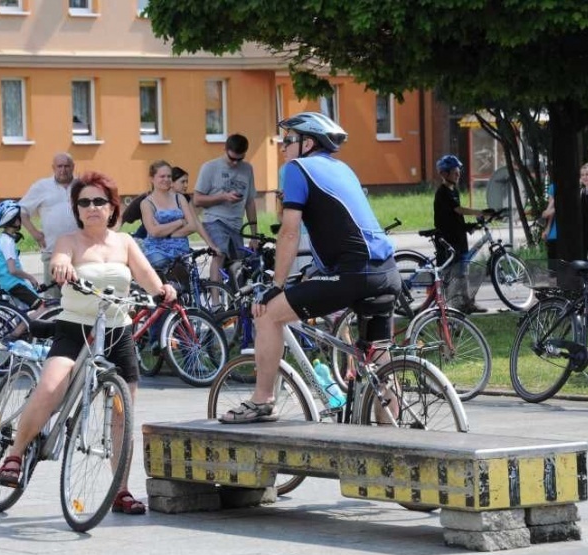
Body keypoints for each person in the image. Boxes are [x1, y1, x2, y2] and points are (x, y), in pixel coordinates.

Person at [0, 171, 177, 514]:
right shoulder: (70, 240)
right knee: (51, 389)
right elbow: (60, 259)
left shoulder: (125, 243)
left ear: (112, 208)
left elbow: (147, 276)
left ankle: (121, 490)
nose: (92, 207)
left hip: (116, 330)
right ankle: (15, 453)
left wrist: (163, 290)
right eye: (84, 202)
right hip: (75, 327)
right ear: (76, 209)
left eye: (99, 201)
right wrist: (63, 268)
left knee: (123, 412)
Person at [218, 112, 401, 424]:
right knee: (378, 355)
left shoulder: (297, 169)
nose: (283, 147)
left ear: (308, 143)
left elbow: (289, 231)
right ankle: (397, 431)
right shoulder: (343, 169)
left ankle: (262, 401)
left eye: (288, 140)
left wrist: (277, 285)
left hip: (352, 274)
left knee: (268, 313)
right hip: (386, 272)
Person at [433, 154, 495, 313]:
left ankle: (467, 303)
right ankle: (450, 306)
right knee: (454, 273)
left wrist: (468, 226)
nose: (458, 174)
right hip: (448, 239)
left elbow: (456, 217)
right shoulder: (443, 192)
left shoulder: (454, 190)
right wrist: (479, 212)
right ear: (444, 174)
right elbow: (457, 210)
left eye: (458, 171)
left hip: (458, 237)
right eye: (454, 171)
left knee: (463, 271)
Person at [194, 133, 259, 281]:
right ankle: (216, 302)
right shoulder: (210, 167)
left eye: (240, 159)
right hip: (215, 220)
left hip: (236, 225)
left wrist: (254, 235)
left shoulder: (247, 169)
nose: (236, 163)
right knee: (220, 253)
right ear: (225, 149)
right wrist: (223, 197)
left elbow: (250, 202)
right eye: (232, 158)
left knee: (237, 265)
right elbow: (197, 200)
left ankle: (233, 300)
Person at [18, 153, 79, 299]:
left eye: (66, 166)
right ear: (53, 168)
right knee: (53, 300)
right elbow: (21, 210)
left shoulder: (81, 186)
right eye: (59, 166)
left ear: (73, 167)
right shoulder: (41, 186)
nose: (63, 170)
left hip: (80, 253)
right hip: (52, 252)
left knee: (79, 298)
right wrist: (34, 233)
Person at [139, 160, 218, 269]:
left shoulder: (179, 198)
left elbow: (192, 226)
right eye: (162, 176)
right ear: (152, 179)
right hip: (157, 251)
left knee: (188, 280)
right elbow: (154, 231)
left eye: (169, 176)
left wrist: (166, 233)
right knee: (160, 266)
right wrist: (180, 222)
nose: (166, 179)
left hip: (181, 250)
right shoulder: (146, 203)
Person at [0, 200, 46, 323]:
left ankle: (21, 332)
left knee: (22, 311)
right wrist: (30, 277)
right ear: (15, 221)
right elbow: (13, 269)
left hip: (7, 283)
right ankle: (18, 332)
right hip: (14, 284)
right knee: (43, 308)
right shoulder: (7, 242)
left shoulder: (2, 238)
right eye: (19, 218)